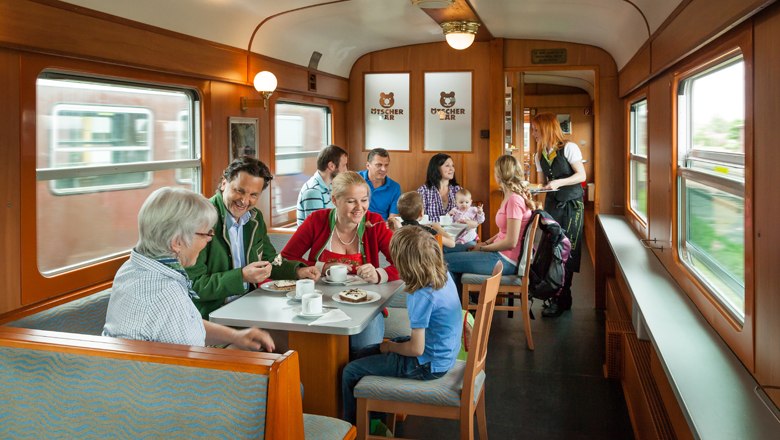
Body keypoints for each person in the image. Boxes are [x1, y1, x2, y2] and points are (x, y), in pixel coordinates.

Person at [103, 187, 275, 351]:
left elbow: (188, 323)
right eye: (205, 234)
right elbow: (193, 364)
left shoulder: (132, 269)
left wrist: (236, 336)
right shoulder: (166, 293)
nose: (209, 240)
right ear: (177, 243)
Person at [341, 226, 462, 425]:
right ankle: (375, 422)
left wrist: (389, 347)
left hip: (428, 364)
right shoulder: (443, 275)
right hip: (443, 352)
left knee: (350, 371)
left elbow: (416, 348)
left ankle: (353, 429)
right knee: (363, 353)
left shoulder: (421, 294)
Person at [186, 157, 319, 319]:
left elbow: (269, 260)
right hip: (211, 317)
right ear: (223, 184)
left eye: (253, 195)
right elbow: (193, 286)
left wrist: (298, 270)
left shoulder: (255, 218)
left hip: (251, 307)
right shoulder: (200, 220)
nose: (244, 201)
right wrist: (241, 276)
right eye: (239, 190)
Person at [283, 171, 398, 350]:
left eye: (364, 200)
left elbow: (404, 263)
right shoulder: (317, 220)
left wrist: (378, 274)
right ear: (335, 200)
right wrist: (321, 266)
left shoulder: (374, 223)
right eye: (351, 201)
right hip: (320, 303)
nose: (359, 207)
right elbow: (286, 258)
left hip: (365, 304)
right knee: (318, 352)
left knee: (363, 351)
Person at [444, 155, 535, 287]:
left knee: (443, 262)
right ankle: (460, 302)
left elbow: (511, 242)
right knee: (447, 251)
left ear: (499, 174)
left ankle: (455, 305)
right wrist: (485, 243)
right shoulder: (510, 197)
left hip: (505, 260)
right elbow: (505, 232)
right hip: (501, 255)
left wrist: (483, 248)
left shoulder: (514, 200)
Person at [532, 112, 586, 317]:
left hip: (572, 205)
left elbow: (582, 175)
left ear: (546, 128)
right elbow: (541, 183)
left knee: (567, 249)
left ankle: (564, 298)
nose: (534, 134)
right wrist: (535, 196)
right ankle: (553, 293)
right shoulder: (539, 154)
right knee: (551, 247)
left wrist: (558, 183)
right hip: (553, 205)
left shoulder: (569, 148)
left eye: (536, 130)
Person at [296, 144, 349, 225]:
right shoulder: (313, 191)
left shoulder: (331, 186)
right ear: (331, 166)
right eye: (344, 165)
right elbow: (318, 229)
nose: (346, 170)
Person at [357, 148, 401, 220]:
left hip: (381, 227)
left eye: (386, 165)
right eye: (379, 165)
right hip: (357, 225)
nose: (383, 169)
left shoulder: (395, 187)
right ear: (368, 165)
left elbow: (392, 219)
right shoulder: (355, 179)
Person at [416, 153, 461, 223]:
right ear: (436, 168)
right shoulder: (423, 191)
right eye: (447, 166)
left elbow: (465, 215)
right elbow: (419, 220)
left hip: (455, 232)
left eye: (453, 165)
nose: (452, 169)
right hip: (431, 232)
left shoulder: (458, 190)